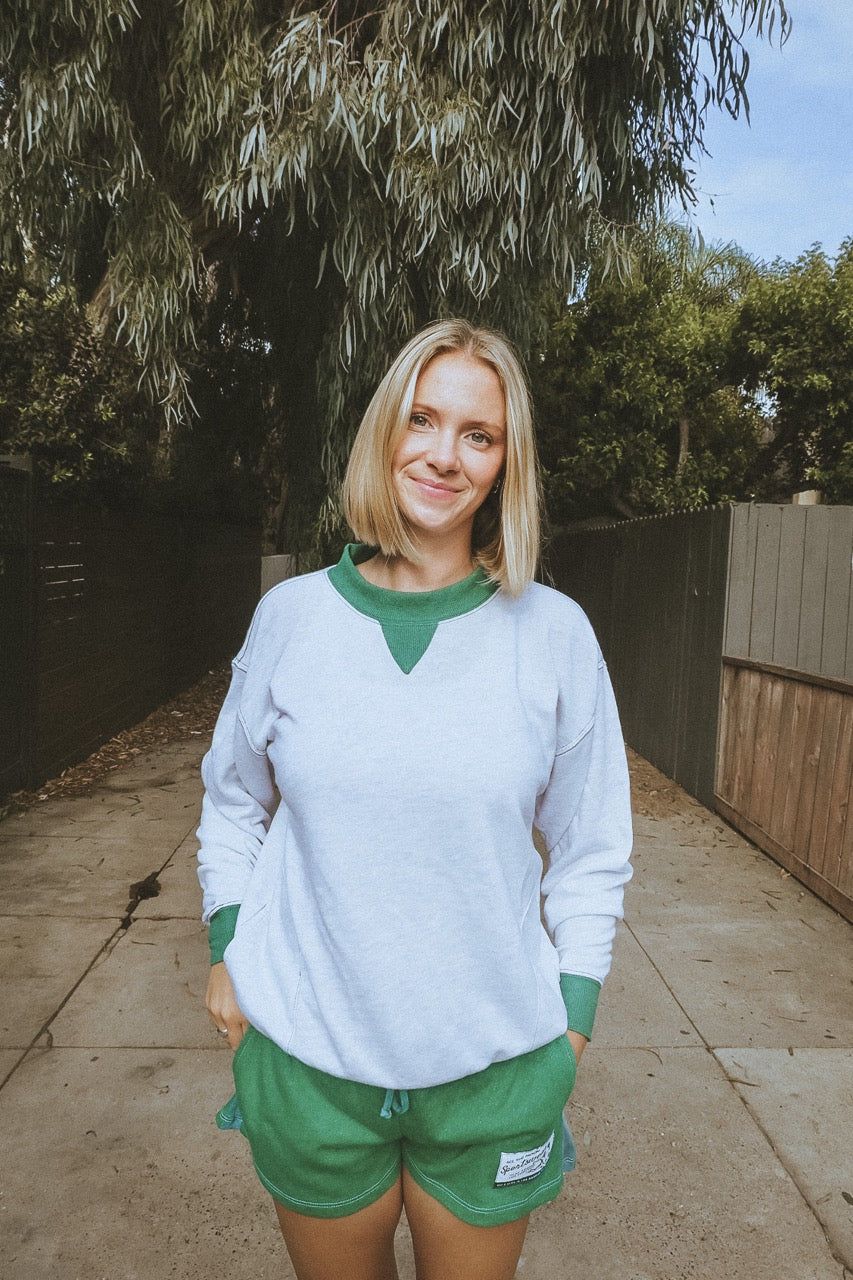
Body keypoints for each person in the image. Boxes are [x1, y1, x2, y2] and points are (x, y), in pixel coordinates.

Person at [196, 318, 633, 1280]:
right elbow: (231, 800)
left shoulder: (554, 633)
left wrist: (572, 1014)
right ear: (383, 432)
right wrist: (229, 947)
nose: (443, 455)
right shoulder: (292, 618)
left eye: (477, 435)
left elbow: (592, 843)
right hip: (310, 1060)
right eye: (422, 419)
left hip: (496, 1071)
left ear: (505, 462)